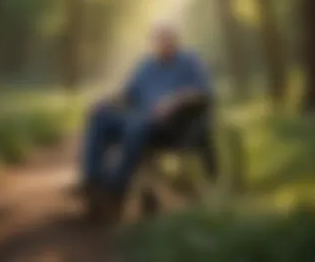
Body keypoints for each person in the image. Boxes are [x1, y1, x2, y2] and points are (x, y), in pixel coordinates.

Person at [77, 22, 216, 219]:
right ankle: (92, 182)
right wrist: (107, 101)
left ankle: (114, 190)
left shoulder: (189, 62)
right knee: (99, 116)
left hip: (171, 126)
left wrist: (174, 101)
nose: (163, 44)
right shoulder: (146, 66)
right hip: (139, 117)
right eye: (159, 40)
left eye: (168, 39)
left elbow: (202, 93)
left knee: (136, 126)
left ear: (176, 41)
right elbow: (127, 94)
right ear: (153, 43)